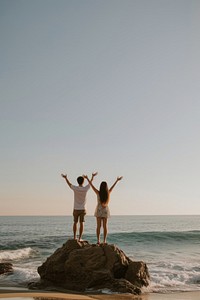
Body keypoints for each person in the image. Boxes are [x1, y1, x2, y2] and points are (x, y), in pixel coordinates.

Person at [83, 175, 123, 245]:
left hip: (98, 210)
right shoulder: (108, 193)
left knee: (98, 226)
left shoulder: (98, 193)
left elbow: (91, 186)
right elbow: (112, 188)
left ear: (100, 187)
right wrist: (117, 180)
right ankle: (104, 241)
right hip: (105, 210)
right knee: (105, 226)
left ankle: (98, 240)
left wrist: (87, 179)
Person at [61, 172, 97, 241]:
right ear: (83, 181)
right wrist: (92, 177)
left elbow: (69, 184)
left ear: (77, 182)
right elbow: (90, 183)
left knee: (75, 222)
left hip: (76, 208)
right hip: (83, 209)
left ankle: (74, 237)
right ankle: (80, 238)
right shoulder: (85, 188)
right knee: (82, 223)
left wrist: (66, 178)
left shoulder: (75, 188)